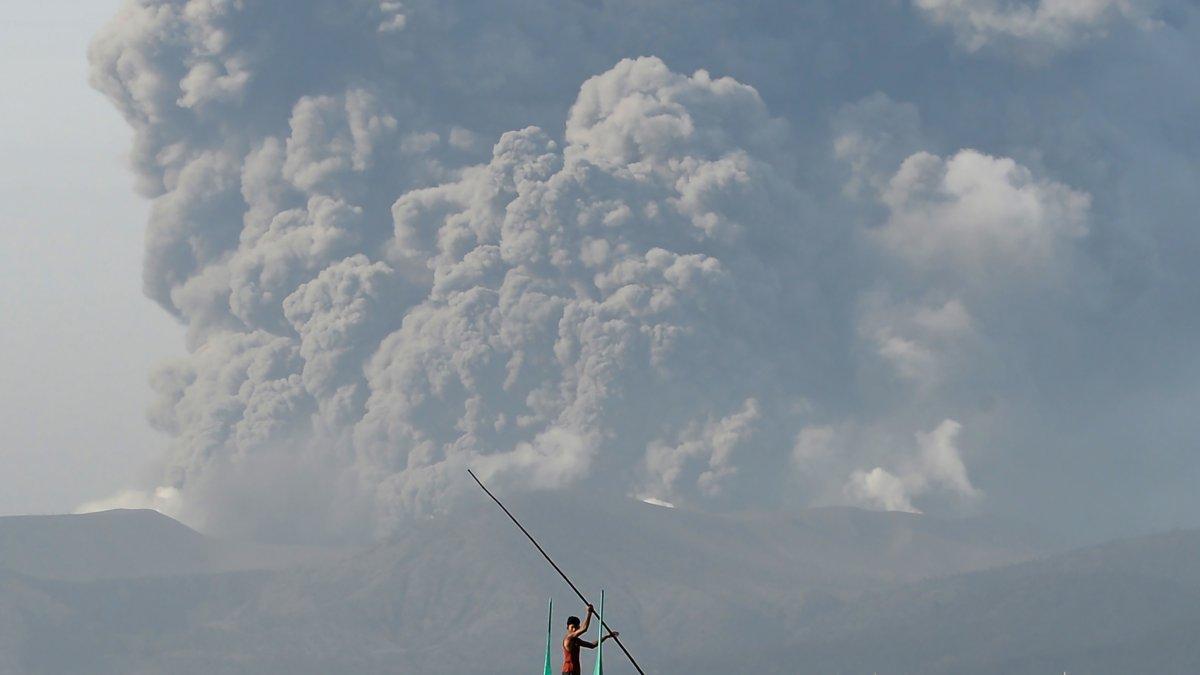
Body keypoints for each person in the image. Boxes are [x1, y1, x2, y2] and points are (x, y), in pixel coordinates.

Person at [561, 604, 618, 675]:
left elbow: (592, 645)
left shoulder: (577, 640)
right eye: (572, 627)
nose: (574, 629)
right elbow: (584, 629)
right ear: (567, 627)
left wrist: (606, 636)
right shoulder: (568, 638)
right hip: (569, 671)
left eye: (576, 627)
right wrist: (589, 613)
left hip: (575, 672)